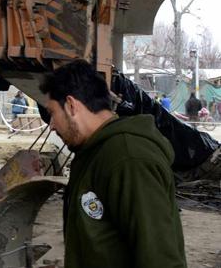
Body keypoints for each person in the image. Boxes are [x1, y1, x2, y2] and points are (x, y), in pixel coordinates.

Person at [39, 59, 186, 268]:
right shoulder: (93, 152)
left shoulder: (129, 159)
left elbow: (160, 258)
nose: (52, 126)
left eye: (52, 113)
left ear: (71, 106)